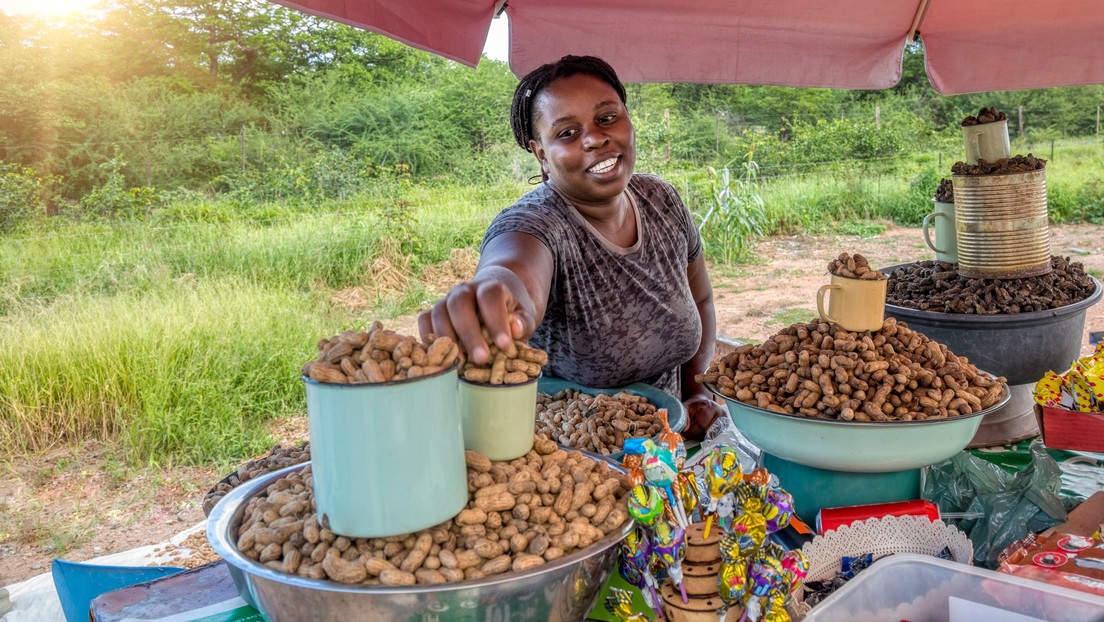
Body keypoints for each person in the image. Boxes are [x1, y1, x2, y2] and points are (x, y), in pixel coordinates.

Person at [419, 55, 724, 439]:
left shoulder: (661, 199)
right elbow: (514, 268)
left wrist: (693, 393)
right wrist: (495, 292)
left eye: (607, 118)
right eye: (566, 133)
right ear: (541, 154)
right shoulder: (536, 223)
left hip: (668, 448)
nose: (595, 138)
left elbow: (702, 300)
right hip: (578, 462)